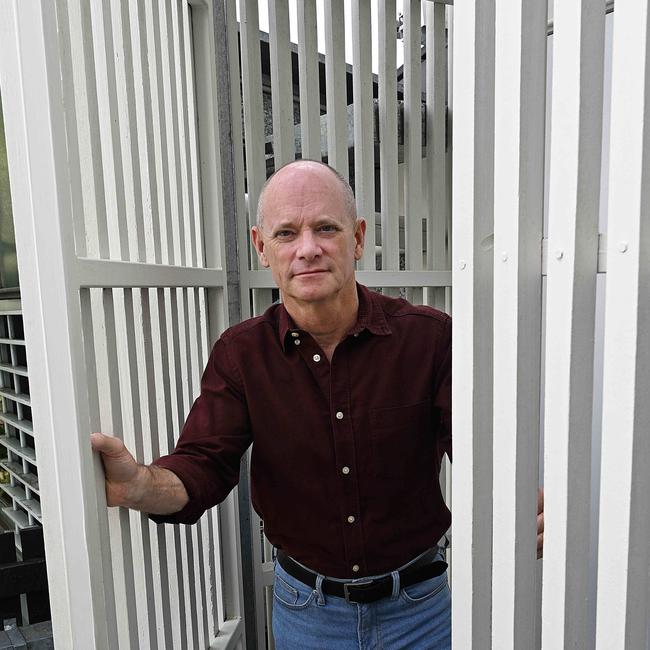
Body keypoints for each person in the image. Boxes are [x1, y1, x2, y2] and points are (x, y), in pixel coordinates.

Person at [92, 160, 543, 649]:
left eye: (326, 228)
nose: (308, 248)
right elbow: (203, 466)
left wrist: (522, 501)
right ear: (262, 248)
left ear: (358, 238)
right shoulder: (241, 354)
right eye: (286, 233)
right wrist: (138, 484)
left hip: (422, 611)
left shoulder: (429, 339)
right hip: (307, 616)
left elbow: (479, 453)